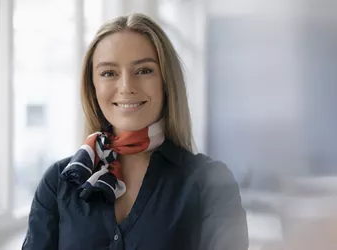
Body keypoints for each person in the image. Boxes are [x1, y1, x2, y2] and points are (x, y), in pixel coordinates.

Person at [22, 13, 248, 250]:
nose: (127, 86)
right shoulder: (58, 183)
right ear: (93, 87)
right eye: (109, 73)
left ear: (166, 81)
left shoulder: (211, 183)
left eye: (144, 70)